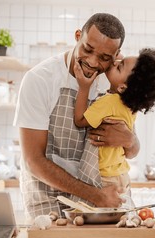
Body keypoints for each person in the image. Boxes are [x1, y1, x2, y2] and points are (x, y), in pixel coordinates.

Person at [14, 13, 140, 221]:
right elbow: (33, 161)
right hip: (51, 201)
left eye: (104, 57)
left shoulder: (113, 81)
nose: (92, 62)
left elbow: (132, 150)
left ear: (116, 55)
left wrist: (130, 140)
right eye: (88, 49)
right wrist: (95, 195)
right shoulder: (40, 79)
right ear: (77, 36)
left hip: (105, 201)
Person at [73, 48, 155, 199]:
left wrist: (84, 87)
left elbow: (80, 120)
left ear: (122, 87)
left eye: (120, 66)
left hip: (104, 177)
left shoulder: (110, 102)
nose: (116, 62)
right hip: (120, 175)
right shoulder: (129, 107)